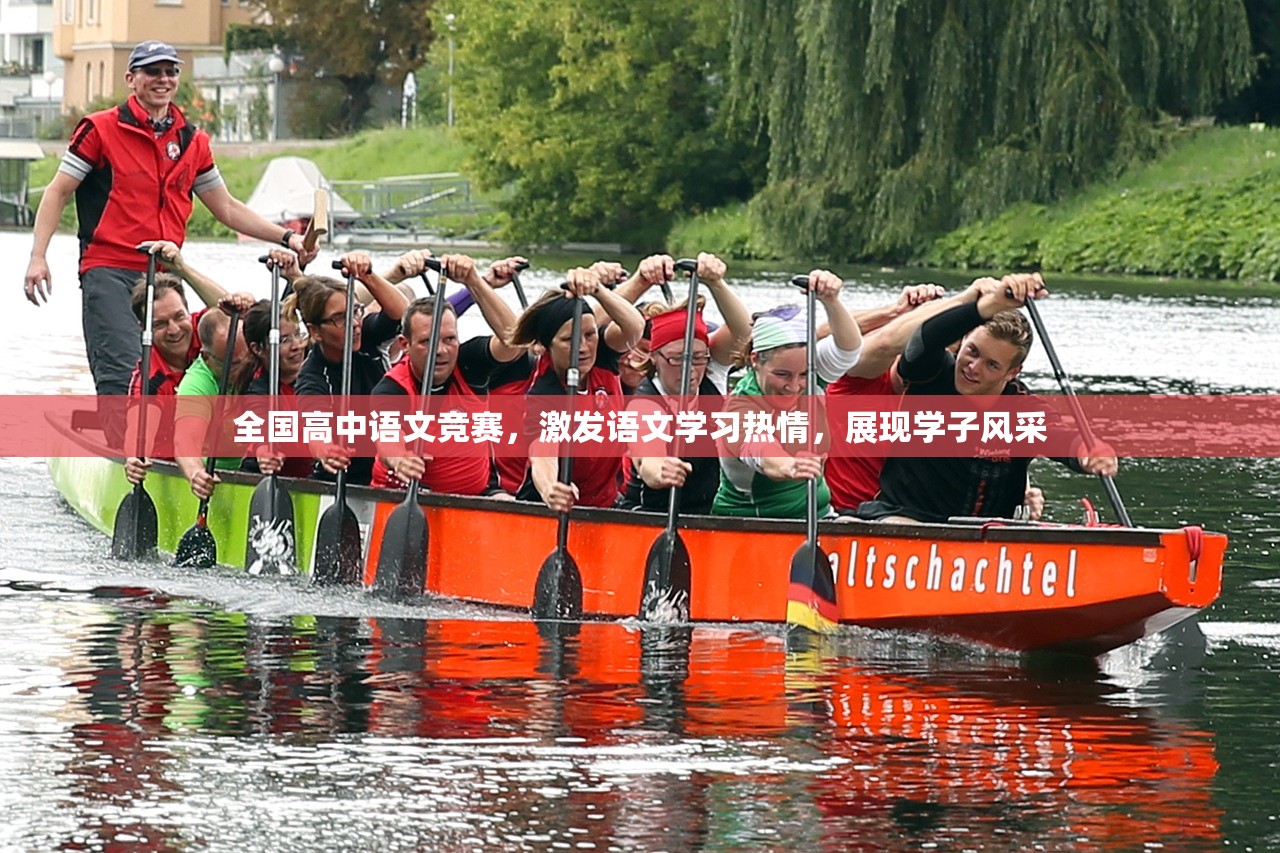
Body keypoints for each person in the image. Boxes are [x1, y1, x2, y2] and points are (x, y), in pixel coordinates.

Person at [22, 40, 318, 405]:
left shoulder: (193, 140)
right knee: (124, 367)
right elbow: (57, 193)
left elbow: (226, 208)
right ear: (131, 79)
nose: (162, 79)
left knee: (189, 356)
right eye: (152, 71)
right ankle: (124, 444)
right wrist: (38, 256)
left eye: (170, 71)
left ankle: (184, 440)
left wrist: (289, 237)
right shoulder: (98, 129)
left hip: (166, 270)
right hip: (110, 270)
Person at [856, 273, 1118, 523]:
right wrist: (988, 306)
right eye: (972, 351)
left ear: (1012, 372)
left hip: (987, 539)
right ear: (964, 339)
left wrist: (1087, 453)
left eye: (991, 365)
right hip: (902, 518)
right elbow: (925, 337)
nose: (973, 367)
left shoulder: (1021, 410)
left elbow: (1060, 438)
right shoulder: (930, 373)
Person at [372, 254, 529, 496]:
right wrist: (400, 459)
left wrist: (474, 282)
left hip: (478, 496)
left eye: (450, 339)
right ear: (405, 344)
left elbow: (514, 343)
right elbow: (387, 436)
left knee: (509, 504)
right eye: (427, 342)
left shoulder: (468, 363)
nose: (441, 351)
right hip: (403, 497)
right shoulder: (392, 388)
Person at [712, 270, 863, 518]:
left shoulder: (812, 375)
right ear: (755, 360)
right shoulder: (739, 409)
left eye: (803, 374)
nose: (794, 386)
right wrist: (790, 465)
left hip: (820, 516)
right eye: (782, 375)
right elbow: (761, 452)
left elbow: (848, 350)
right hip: (753, 527)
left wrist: (831, 301)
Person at [618, 253, 753, 514]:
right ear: (655, 358)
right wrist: (660, 471)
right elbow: (648, 459)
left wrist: (716, 283)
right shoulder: (644, 404)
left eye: (698, 358)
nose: (691, 370)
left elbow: (744, 333)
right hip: (649, 514)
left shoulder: (712, 372)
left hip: (709, 514)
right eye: (677, 359)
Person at [511, 267, 645, 512]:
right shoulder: (546, 393)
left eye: (589, 334)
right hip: (549, 507)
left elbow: (635, 327)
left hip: (603, 505)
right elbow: (543, 454)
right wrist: (551, 488)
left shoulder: (602, 355)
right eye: (568, 340)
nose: (583, 347)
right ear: (546, 346)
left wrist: (598, 290)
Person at [122, 242, 257, 485]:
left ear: (188, 311)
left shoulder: (207, 333)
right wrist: (133, 457)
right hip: (174, 466)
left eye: (178, 317)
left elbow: (234, 312)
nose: (174, 330)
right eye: (160, 324)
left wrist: (183, 270)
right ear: (145, 330)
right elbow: (138, 430)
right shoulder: (149, 377)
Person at [292, 251, 412, 484]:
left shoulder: (367, 336)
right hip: (342, 480)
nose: (355, 324)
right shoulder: (313, 376)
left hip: (386, 469)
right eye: (340, 318)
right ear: (315, 331)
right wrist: (324, 449)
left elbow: (403, 314)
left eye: (355, 311)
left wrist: (367, 276)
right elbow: (314, 425)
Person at [231, 295, 313, 479]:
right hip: (267, 481)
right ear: (258, 349)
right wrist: (264, 450)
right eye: (284, 340)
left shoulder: (315, 366)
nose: (297, 346)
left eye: (298, 334)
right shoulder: (257, 390)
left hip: (311, 476)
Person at [173, 308, 251, 500]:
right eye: (232, 365)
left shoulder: (256, 357)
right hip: (220, 476)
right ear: (207, 358)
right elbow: (185, 440)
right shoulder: (196, 383)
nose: (243, 368)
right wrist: (195, 473)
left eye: (247, 358)